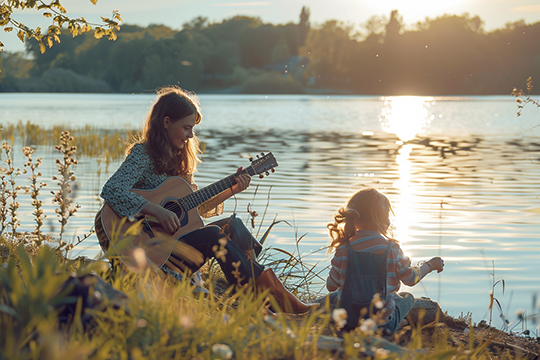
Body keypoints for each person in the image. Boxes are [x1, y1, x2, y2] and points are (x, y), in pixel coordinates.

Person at [98, 85, 314, 313]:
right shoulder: (143, 154)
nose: (191, 135)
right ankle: (273, 301)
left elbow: (195, 210)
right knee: (213, 235)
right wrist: (157, 210)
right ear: (166, 122)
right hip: (155, 255)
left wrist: (231, 190)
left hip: (178, 245)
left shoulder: (179, 161)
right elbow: (112, 190)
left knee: (235, 225)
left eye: (192, 129)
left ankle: (268, 299)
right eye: (187, 128)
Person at [326, 187, 444, 333]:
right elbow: (411, 279)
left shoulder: (344, 248)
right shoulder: (391, 249)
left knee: (333, 296)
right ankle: (397, 325)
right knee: (407, 298)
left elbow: (331, 285)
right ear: (383, 219)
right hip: (381, 324)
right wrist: (430, 265)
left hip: (347, 322)